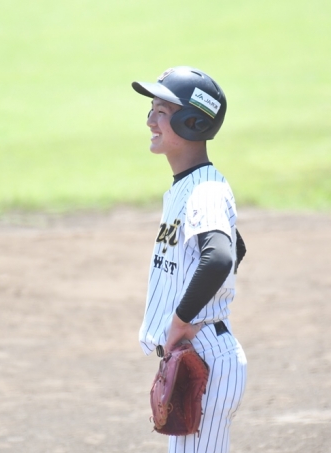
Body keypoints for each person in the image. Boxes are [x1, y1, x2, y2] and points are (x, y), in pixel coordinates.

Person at [132, 66, 248, 453]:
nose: (150, 121)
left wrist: (180, 322)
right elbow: (235, 248)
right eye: (151, 110)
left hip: (205, 355)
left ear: (193, 122)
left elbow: (219, 258)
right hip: (202, 349)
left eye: (162, 112)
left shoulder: (205, 190)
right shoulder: (190, 187)